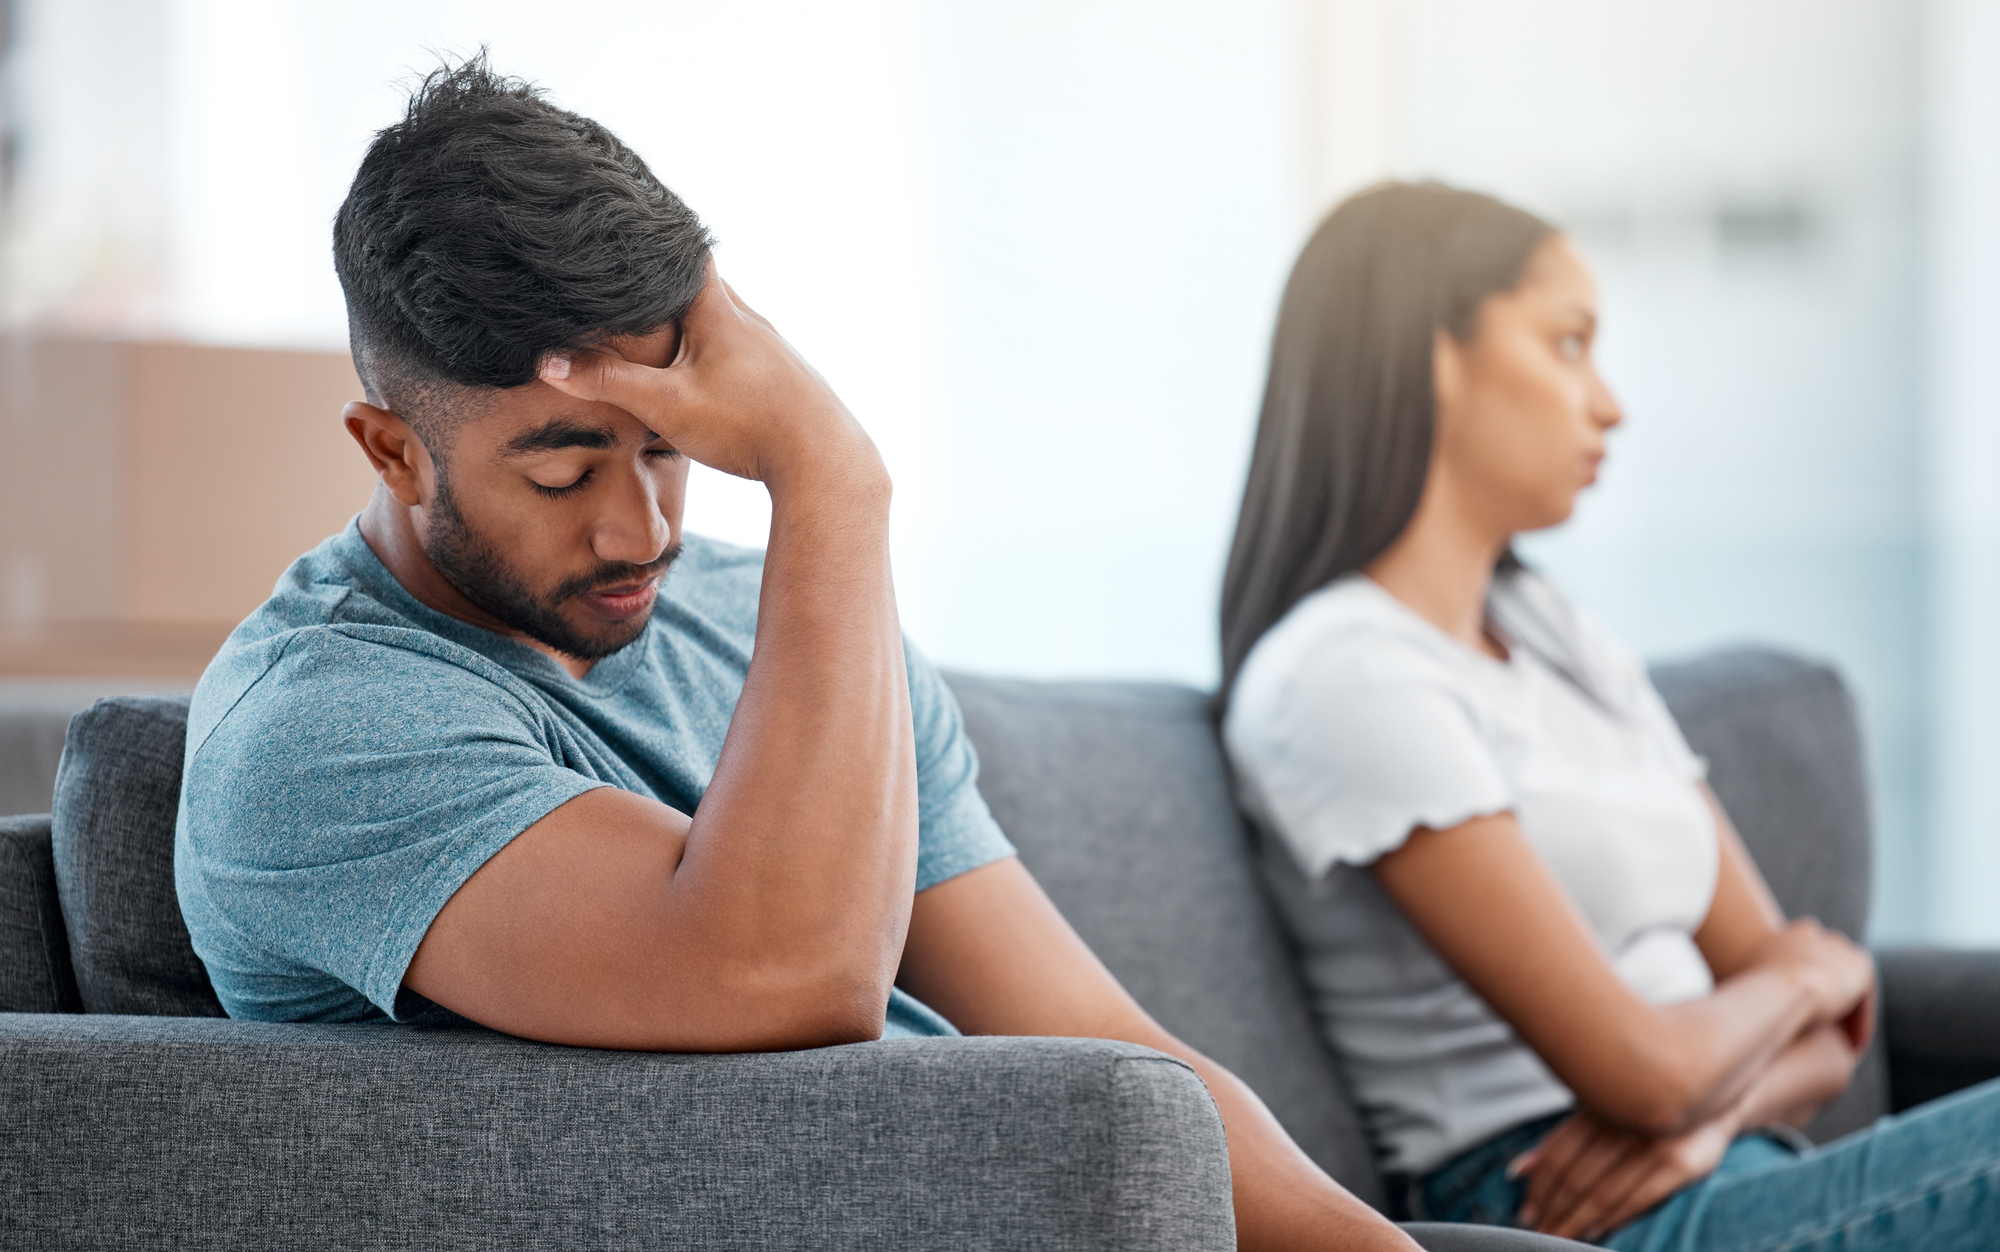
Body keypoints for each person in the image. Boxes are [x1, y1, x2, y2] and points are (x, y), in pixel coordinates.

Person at [170, 55, 1417, 1252]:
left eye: (668, 447)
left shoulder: (760, 618)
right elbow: (787, 977)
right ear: (390, 451)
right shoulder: (317, 730)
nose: (638, 529)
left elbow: (1100, 1041)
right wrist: (830, 475)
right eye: (559, 472)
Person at [1218, 180, 2000, 1250]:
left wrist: (1713, 1102)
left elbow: (1827, 1035)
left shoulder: (1549, 629)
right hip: (1567, 1211)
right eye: (1567, 344)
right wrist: (1799, 981)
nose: (1610, 404)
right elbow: (1639, 1069)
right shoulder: (1340, 671)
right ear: (1430, 356)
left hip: (1719, 1166)